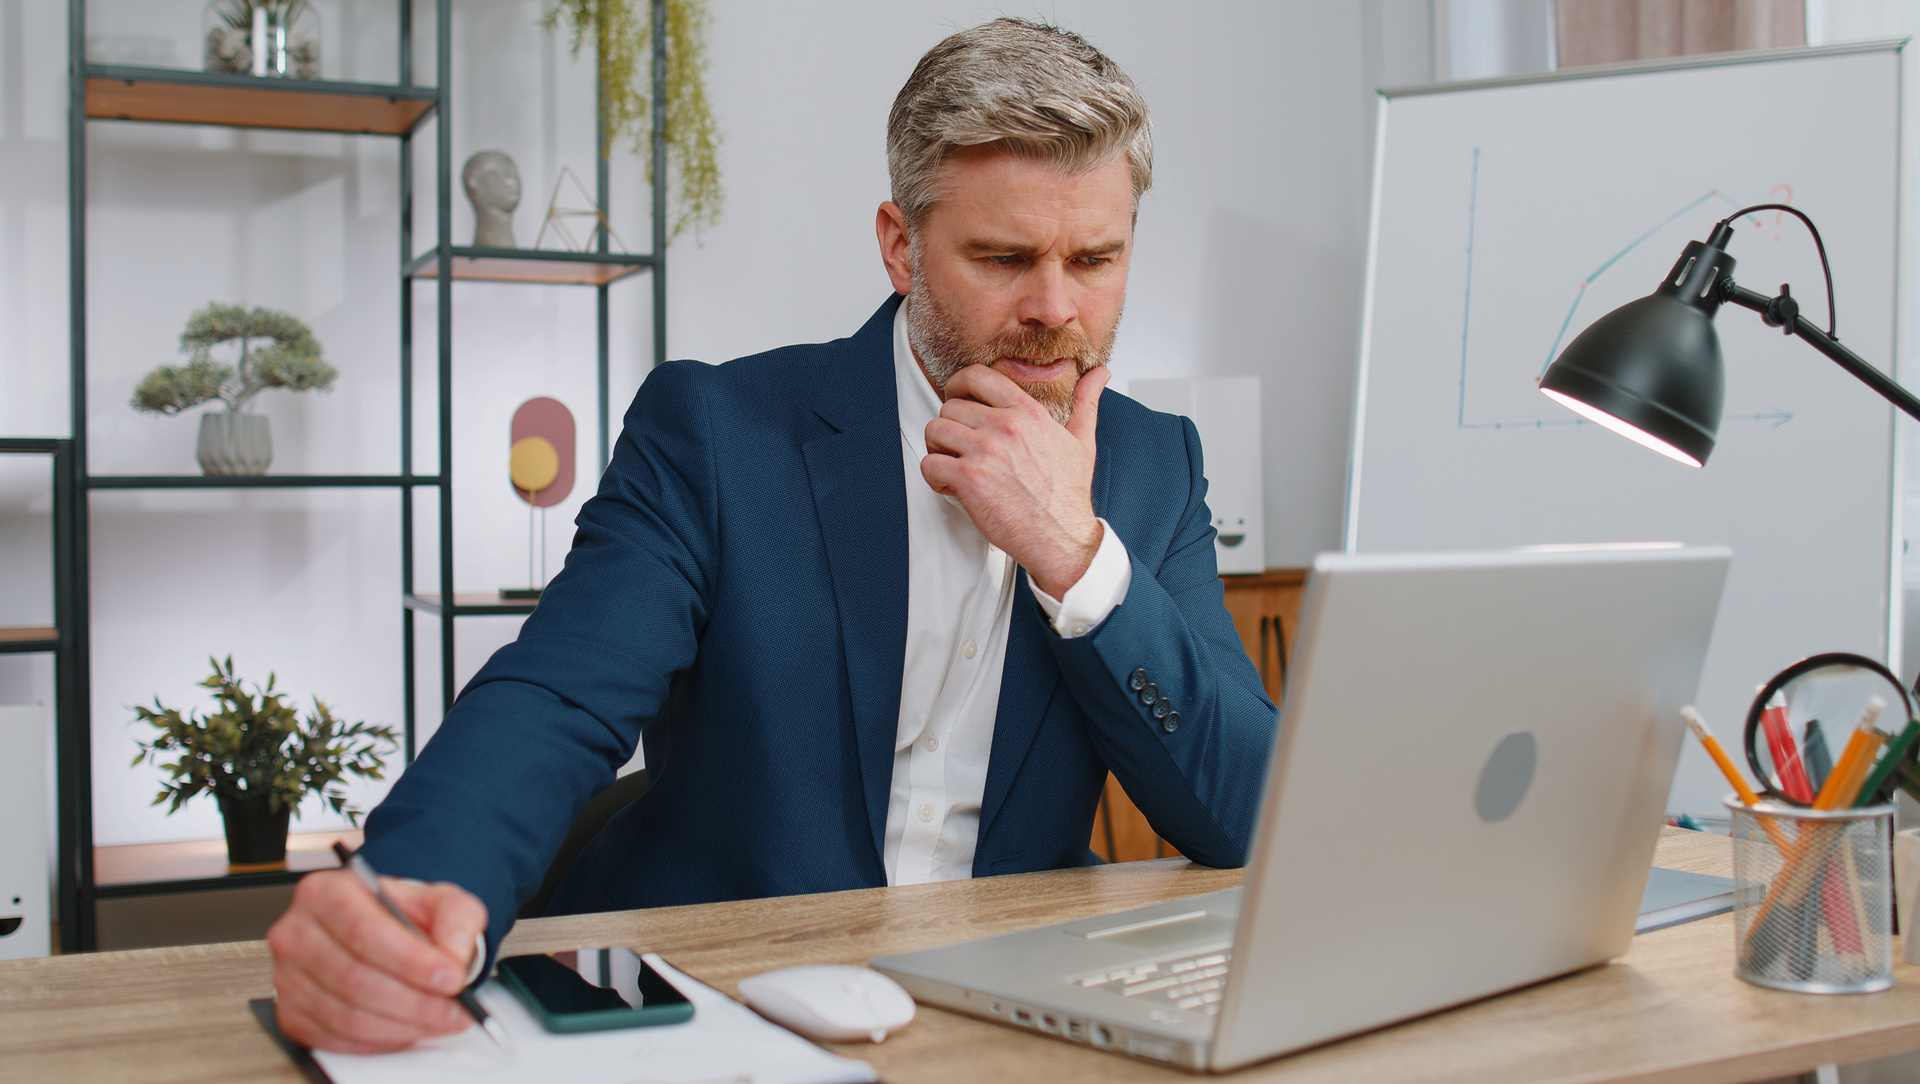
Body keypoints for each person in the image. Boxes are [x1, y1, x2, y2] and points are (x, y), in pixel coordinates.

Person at [266, 17, 1278, 1053]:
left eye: (1096, 258)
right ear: (900, 246)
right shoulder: (714, 431)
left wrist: (1075, 553)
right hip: (720, 993)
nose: (1056, 308)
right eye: (1004, 257)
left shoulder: (1157, 467)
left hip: (1010, 1009)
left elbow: (1248, 812)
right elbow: (561, 692)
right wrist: (415, 892)